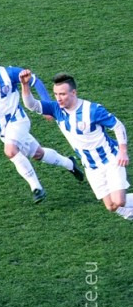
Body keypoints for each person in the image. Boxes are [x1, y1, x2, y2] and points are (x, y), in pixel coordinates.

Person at [0, 42, 83, 203]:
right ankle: (70, 164)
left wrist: (47, 106)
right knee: (38, 154)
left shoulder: (8, 73)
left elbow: (35, 81)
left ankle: (36, 188)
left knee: (10, 150)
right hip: (1, 130)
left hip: (18, 120)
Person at [20, 71, 132, 220]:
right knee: (111, 206)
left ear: (73, 92)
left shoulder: (92, 110)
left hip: (110, 159)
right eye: (56, 94)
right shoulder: (56, 109)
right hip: (91, 166)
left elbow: (118, 126)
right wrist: (25, 85)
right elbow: (31, 105)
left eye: (62, 94)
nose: (58, 98)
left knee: (119, 201)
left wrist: (123, 151)